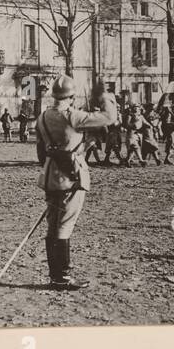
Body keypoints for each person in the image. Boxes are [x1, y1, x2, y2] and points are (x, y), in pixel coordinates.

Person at [34, 75, 119, 290]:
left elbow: (42, 151)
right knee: (65, 226)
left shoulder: (43, 117)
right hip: (71, 177)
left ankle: (55, 276)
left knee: (53, 226)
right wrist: (104, 96)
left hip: (50, 176)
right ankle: (62, 278)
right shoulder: (72, 116)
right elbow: (110, 117)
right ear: (71, 97)